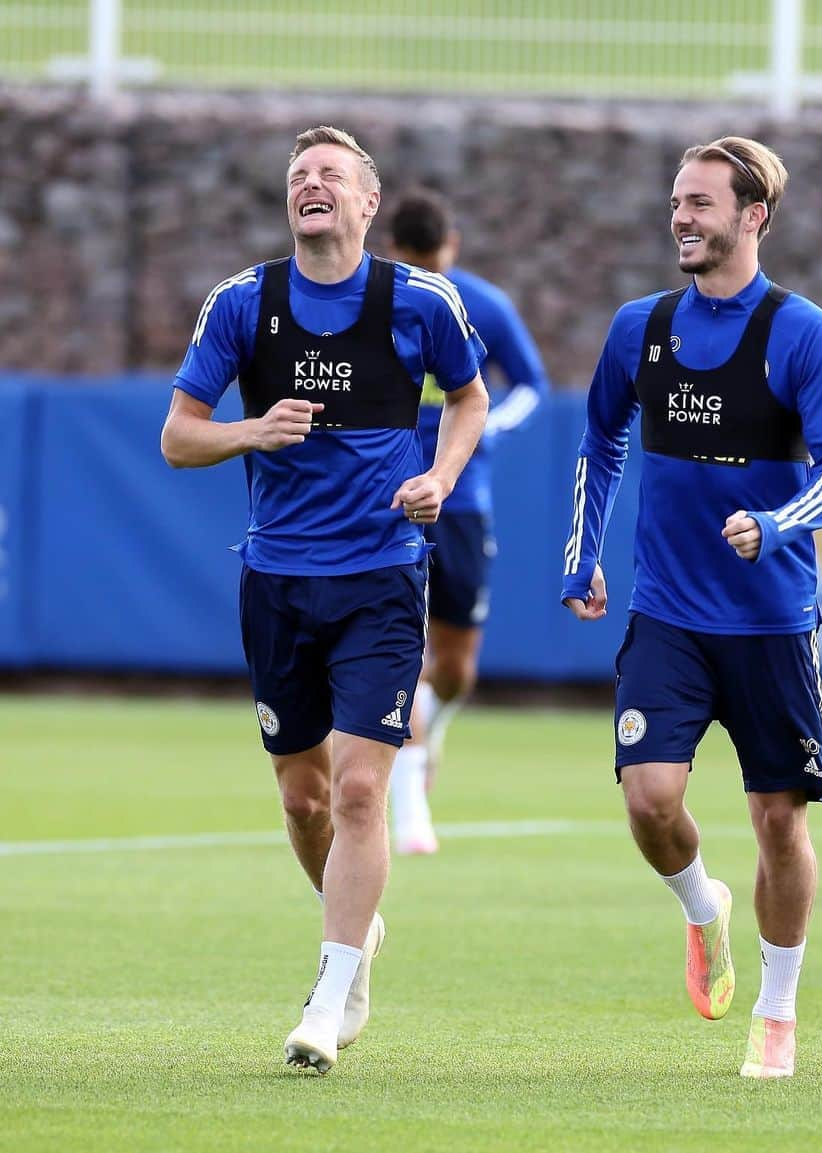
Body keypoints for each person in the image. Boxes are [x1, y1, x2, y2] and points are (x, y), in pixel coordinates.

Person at [160, 126, 489, 1073]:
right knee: (304, 798)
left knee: (357, 786)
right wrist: (252, 431)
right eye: (299, 175)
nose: (312, 185)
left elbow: (468, 401)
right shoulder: (242, 303)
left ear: (367, 203)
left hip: (384, 574)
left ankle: (332, 986)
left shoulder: (419, 301)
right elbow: (180, 437)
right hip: (277, 579)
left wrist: (441, 475)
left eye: (330, 175)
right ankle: (359, 936)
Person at [561, 137, 822, 1079]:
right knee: (651, 802)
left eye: (700, 203)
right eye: (677, 201)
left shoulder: (803, 333)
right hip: (667, 615)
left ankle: (777, 1011)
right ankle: (702, 906)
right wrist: (582, 554)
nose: (681, 218)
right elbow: (600, 440)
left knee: (781, 820)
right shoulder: (640, 328)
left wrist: (775, 525)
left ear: (753, 216)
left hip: (772, 624)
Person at [385, 187, 549, 855]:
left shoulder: (482, 305)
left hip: (463, 495)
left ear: (451, 246)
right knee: (398, 650)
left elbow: (531, 384)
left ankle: (433, 723)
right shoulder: (375, 301)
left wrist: (490, 430)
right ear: (396, 253)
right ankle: (409, 808)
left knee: (453, 666)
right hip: (390, 494)